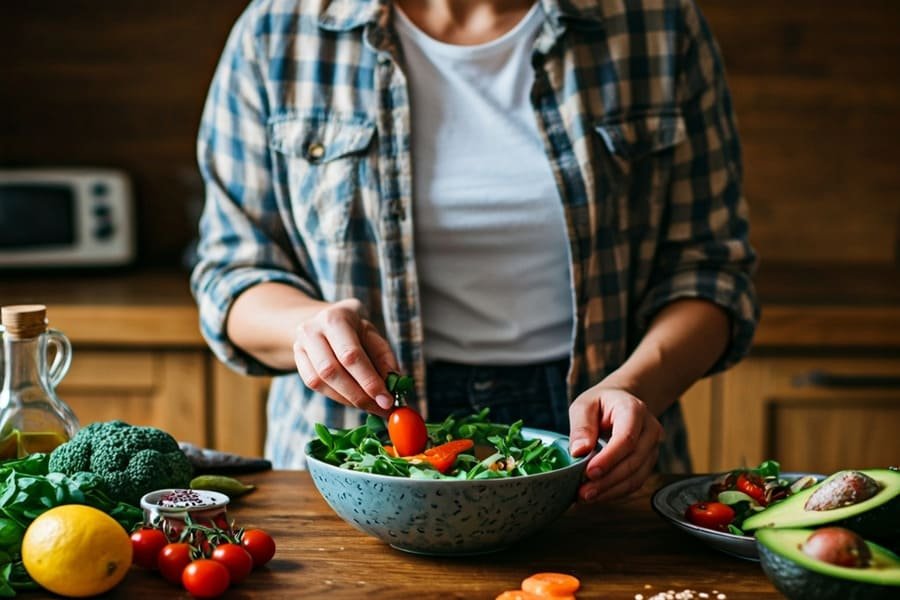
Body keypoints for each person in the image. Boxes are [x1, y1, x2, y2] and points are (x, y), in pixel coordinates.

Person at [191, 0, 758, 504]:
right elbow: (231, 273)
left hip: (597, 438)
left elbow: (711, 273)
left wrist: (636, 388)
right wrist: (309, 326)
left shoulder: (654, 23)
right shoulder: (279, 30)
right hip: (363, 451)